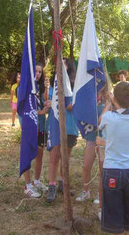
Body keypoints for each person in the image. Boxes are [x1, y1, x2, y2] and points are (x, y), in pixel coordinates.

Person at [96, 82, 129, 234]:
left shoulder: (109, 117)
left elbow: (100, 122)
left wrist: (109, 103)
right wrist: (115, 101)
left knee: (114, 212)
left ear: (115, 99)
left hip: (112, 170)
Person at [46, 58, 79, 203]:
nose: (61, 66)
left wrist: (73, 104)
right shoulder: (55, 85)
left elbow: (78, 104)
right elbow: (49, 100)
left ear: (69, 67)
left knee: (65, 158)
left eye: (64, 63)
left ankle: (62, 183)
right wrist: (49, 100)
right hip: (56, 125)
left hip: (70, 126)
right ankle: (51, 186)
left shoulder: (76, 86)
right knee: (54, 157)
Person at [75, 85, 108, 220]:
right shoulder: (89, 96)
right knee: (86, 166)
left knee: (102, 170)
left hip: (103, 139)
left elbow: (103, 119)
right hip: (91, 137)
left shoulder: (109, 99)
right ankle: (85, 191)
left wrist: (109, 104)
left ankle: (101, 196)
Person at [22, 63, 51, 198]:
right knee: (28, 153)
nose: (38, 74)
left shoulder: (39, 88)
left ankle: (37, 180)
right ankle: (27, 186)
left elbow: (45, 100)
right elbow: (26, 110)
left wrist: (46, 88)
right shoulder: (26, 89)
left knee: (40, 153)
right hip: (30, 126)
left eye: (40, 72)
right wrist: (41, 112)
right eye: (36, 71)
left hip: (41, 126)